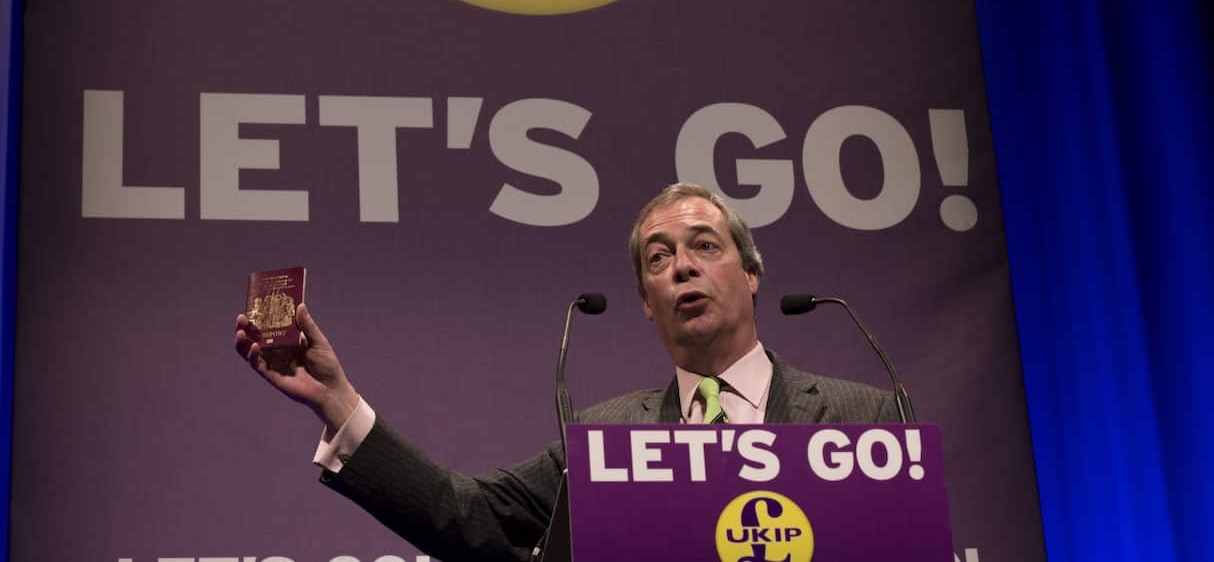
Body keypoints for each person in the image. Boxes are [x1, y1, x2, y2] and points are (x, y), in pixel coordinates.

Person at [234, 182, 896, 561]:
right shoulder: (606, 440)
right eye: (659, 258)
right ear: (646, 302)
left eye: (704, 246)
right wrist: (338, 402)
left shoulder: (862, 416)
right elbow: (468, 514)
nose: (682, 267)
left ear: (752, 275)